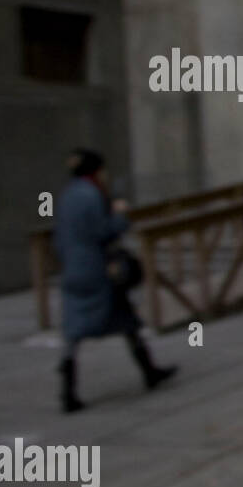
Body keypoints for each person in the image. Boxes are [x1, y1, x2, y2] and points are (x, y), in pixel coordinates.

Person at [53, 148, 176, 413]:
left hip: (74, 270)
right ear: (96, 171)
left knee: (76, 330)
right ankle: (149, 370)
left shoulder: (66, 197)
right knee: (124, 318)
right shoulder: (92, 195)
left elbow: (60, 238)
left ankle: (68, 388)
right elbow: (103, 231)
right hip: (99, 270)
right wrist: (120, 214)